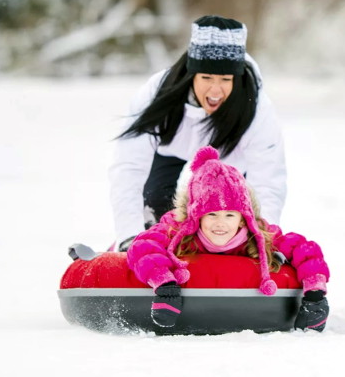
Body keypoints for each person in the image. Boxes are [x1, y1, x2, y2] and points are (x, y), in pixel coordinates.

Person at [110, 15, 286, 252]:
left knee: (227, 217)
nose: (215, 90)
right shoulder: (157, 92)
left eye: (225, 79)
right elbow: (128, 167)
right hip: (169, 150)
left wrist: (262, 238)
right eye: (206, 78)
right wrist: (129, 236)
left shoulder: (255, 105)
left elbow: (268, 179)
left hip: (229, 160)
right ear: (192, 75)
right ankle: (154, 254)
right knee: (154, 207)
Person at [127, 146, 330, 332]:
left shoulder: (259, 234)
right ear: (196, 217)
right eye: (212, 215)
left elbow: (305, 249)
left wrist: (315, 295)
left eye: (230, 215)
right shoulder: (176, 229)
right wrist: (164, 284)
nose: (220, 224)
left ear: (243, 219)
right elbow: (144, 246)